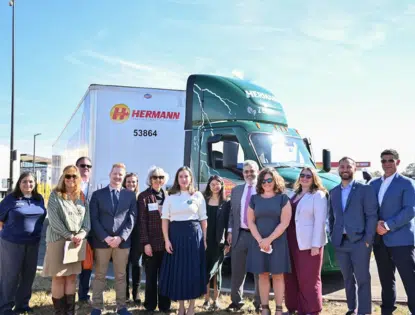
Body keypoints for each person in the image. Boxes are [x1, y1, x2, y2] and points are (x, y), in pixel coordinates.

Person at [329, 157, 378, 315]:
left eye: (348, 166)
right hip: (340, 243)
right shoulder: (334, 192)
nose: (344, 169)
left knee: (363, 279)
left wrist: (368, 240)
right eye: (342, 166)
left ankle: (364, 312)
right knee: (347, 279)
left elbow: (371, 216)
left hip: (359, 242)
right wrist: (332, 236)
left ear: (354, 169)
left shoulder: (364, 189)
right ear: (338, 169)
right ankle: (352, 308)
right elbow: (331, 217)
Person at [370, 149, 415, 315]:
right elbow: (369, 208)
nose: (387, 163)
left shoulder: (407, 183)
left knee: (410, 279)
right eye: (383, 161)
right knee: (386, 281)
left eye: (390, 160)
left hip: (401, 240)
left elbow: (410, 210)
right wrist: (375, 224)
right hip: (380, 241)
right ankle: (387, 311)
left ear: (398, 162)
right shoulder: (373, 184)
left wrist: (387, 225)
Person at [42, 165, 91, 315]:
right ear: (63, 177)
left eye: (74, 176)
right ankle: (60, 312)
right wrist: (70, 236)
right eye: (68, 176)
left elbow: (87, 223)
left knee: (71, 277)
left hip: (75, 243)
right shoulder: (55, 195)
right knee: (58, 277)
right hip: (58, 241)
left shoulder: (81, 197)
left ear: (78, 179)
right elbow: (54, 222)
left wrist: (81, 235)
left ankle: (70, 312)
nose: (71, 179)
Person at [89, 163, 137, 315]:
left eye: (120, 175)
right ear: (110, 174)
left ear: (123, 178)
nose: (117, 177)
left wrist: (121, 237)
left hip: (122, 244)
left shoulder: (129, 195)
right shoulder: (97, 195)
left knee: (121, 276)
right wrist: (106, 237)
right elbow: (94, 219)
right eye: (115, 173)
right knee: (100, 275)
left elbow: (132, 218)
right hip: (102, 242)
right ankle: (97, 307)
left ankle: (121, 307)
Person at [159, 166, 207, 315]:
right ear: (177, 179)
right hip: (176, 237)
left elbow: (203, 219)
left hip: (194, 237)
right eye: (181, 176)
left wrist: (204, 239)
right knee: (179, 272)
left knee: (192, 271)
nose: (184, 179)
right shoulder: (171, 196)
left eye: (186, 176)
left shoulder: (198, 195)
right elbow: (165, 220)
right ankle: (181, 307)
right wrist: (166, 240)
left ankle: (192, 306)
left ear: (191, 178)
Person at [247, 167, 292, 315]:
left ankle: (279, 308)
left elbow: (284, 222)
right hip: (258, 242)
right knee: (263, 274)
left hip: (277, 242)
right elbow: (250, 222)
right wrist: (261, 240)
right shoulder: (254, 199)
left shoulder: (283, 199)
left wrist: (269, 240)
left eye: (269, 180)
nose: (266, 183)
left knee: (278, 275)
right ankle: (265, 308)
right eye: (264, 180)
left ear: (275, 181)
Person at [0, 172, 47, 315]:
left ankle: (22, 305)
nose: (28, 184)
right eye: (24, 182)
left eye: (31, 182)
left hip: (33, 243)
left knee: (28, 275)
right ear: (19, 184)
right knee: (10, 275)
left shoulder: (38, 199)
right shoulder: (11, 199)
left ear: (35, 184)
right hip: (12, 243)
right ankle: (5, 307)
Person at [284, 167, 328, 315]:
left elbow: (320, 221)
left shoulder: (318, 195)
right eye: (302, 175)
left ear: (314, 178)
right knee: (292, 277)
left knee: (309, 278)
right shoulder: (293, 194)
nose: (304, 178)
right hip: (291, 240)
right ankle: (294, 308)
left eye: (308, 176)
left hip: (309, 243)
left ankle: (312, 310)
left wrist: (316, 244)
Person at [227, 160, 261, 312]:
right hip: (239, 235)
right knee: (237, 271)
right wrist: (229, 231)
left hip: (258, 237)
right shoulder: (236, 190)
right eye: (246, 171)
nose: (249, 174)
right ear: (243, 173)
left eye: (252, 170)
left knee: (259, 272)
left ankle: (260, 304)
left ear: (257, 171)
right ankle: (236, 302)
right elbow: (232, 214)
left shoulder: (263, 190)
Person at [139, 166, 171, 312]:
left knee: (165, 277)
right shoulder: (144, 197)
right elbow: (142, 222)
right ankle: (150, 306)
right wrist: (145, 243)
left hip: (166, 243)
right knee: (151, 277)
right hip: (151, 244)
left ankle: (165, 306)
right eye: (155, 177)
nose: (158, 180)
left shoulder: (169, 196)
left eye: (161, 177)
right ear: (150, 179)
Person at [202, 175, 230, 311]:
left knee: (217, 271)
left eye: (217, 184)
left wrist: (227, 242)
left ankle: (216, 300)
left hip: (219, 241)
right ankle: (206, 299)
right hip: (206, 241)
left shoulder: (226, 202)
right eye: (212, 184)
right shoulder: (204, 201)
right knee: (206, 270)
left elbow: (228, 223)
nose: (215, 186)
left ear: (221, 185)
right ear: (209, 186)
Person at [76, 156, 94, 306]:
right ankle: (67, 293)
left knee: (87, 265)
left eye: (89, 166)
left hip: (90, 233)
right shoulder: (69, 187)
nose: (86, 168)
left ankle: (83, 294)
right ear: (76, 167)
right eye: (82, 166)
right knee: (70, 265)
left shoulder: (95, 188)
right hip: (72, 233)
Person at [121, 173, 142, 305]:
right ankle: (125, 294)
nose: (131, 184)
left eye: (133, 182)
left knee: (137, 264)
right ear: (124, 183)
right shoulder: (121, 196)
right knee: (124, 265)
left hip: (137, 236)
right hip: (124, 234)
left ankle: (136, 293)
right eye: (128, 182)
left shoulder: (140, 198)